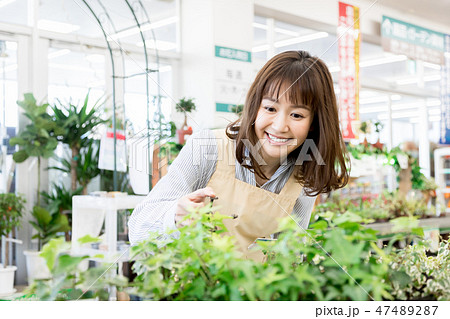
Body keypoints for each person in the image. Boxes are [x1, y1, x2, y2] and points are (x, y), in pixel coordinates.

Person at [128, 50, 349, 260]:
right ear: (255, 107)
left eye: (297, 115)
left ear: (314, 124)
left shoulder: (305, 173)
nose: (280, 126)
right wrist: (175, 217)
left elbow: (291, 254)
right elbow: (137, 228)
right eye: (270, 109)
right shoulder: (208, 147)